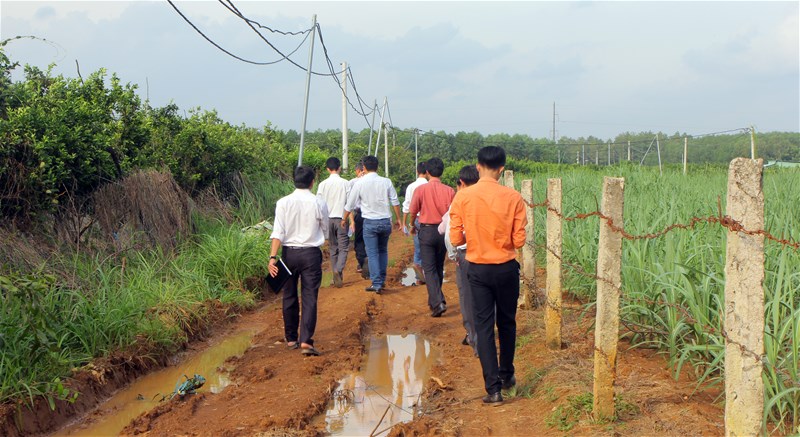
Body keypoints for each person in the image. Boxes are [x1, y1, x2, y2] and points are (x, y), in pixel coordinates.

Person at [449, 146, 527, 405]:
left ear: (478, 166)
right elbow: (519, 240)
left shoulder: (463, 197)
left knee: (483, 327)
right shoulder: (513, 197)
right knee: (507, 323)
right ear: (501, 169)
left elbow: (456, 238)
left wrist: (475, 236)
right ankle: (507, 375)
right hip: (506, 268)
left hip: (478, 268)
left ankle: (493, 390)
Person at [268, 165, 329, 356]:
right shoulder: (318, 202)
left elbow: (278, 232)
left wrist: (272, 258)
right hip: (311, 253)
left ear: (294, 180)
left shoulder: (283, 203)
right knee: (309, 296)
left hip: (288, 254)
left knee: (289, 295)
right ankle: (306, 341)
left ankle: (291, 338)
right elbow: (325, 229)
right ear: (312, 182)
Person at [342, 156, 402, 293]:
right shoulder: (386, 181)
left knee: (373, 253)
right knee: (383, 250)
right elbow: (395, 201)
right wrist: (398, 219)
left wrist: (344, 219)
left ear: (363, 167)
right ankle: (382, 278)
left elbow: (350, 204)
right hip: (385, 221)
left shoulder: (359, 183)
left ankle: (377, 283)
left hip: (370, 222)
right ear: (377, 167)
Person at [439, 164, 480, 356]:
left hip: (466, 254)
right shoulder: (489, 198)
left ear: (461, 182)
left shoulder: (460, 200)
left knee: (467, 297)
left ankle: (474, 337)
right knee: (487, 296)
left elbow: (451, 236)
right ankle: (483, 334)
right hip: (489, 253)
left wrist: (454, 255)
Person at [408, 157, 455, 317]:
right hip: (443, 232)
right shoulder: (449, 191)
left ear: (427, 172)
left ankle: (437, 302)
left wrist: (412, 224)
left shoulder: (421, 190)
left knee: (429, 268)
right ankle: (435, 301)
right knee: (438, 266)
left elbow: (413, 211)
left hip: (427, 231)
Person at [316, 157, 352, 288]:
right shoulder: (346, 183)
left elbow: (318, 204)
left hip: (327, 220)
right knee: (343, 247)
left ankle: (335, 275)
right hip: (341, 219)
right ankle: (338, 270)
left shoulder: (322, 185)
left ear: (327, 169)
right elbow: (349, 203)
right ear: (339, 168)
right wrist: (350, 220)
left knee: (333, 248)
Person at [402, 162, 428, 285]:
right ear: (427, 172)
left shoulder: (411, 186)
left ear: (417, 172)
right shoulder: (429, 185)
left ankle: (418, 276)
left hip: (416, 219)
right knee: (428, 247)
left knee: (418, 247)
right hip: (428, 219)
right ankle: (428, 274)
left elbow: (407, 205)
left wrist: (404, 223)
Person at [349, 161, 369, 279]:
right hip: (372, 214)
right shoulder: (375, 181)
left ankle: (362, 262)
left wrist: (347, 218)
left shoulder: (353, 182)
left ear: (357, 170)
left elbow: (349, 203)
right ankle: (371, 263)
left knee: (359, 241)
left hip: (360, 215)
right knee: (371, 239)